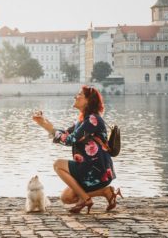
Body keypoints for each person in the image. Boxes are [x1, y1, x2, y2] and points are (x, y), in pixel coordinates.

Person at [32, 85, 122, 214]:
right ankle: (106, 192)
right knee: (66, 198)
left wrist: (51, 129)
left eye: (79, 94)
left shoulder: (92, 119)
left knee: (58, 165)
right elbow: (67, 134)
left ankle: (85, 199)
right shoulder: (83, 120)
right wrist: (44, 124)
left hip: (96, 169)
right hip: (91, 168)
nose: (75, 96)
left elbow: (70, 140)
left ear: (88, 100)